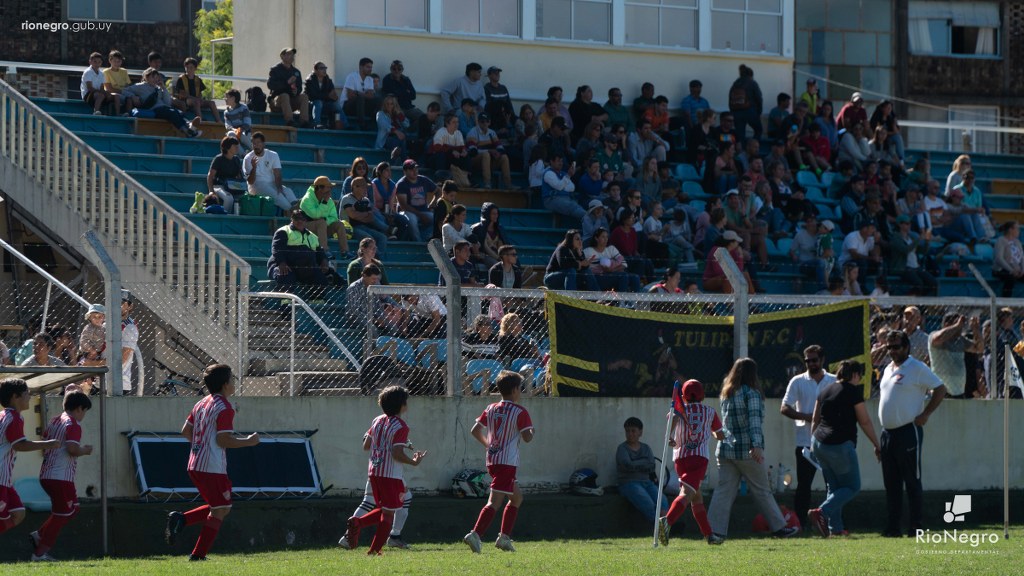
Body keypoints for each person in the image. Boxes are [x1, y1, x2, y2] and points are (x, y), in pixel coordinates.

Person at [163, 365, 260, 561]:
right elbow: (223, 440)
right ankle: (198, 555)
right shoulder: (225, 407)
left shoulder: (201, 403)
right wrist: (249, 441)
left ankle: (181, 520)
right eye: (232, 379)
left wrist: (200, 446)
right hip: (212, 467)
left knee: (221, 507)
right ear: (225, 385)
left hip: (195, 463)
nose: (234, 382)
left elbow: (185, 431)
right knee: (220, 509)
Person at [707, 358, 799, 541]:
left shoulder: (726, 393)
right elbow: (754, 422)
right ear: (753, 374)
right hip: (747, 450)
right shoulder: (752, 393)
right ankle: (779, 527)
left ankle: (713, 530)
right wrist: (756, 445)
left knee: (723, 491)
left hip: (725, 449)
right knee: (762, 490)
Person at [339, 385, 426, 555]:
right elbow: (396, 453)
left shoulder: (377, 421)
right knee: (388, 514)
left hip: (374, 472)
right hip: (391, 475)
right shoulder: (401, 426)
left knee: (387, 508)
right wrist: (414, 462)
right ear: (402, 405)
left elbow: (366, 445)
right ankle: (374, 550)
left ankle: (358, 524)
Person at [878, 329, 946, 537]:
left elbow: (940, 388)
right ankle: (893, 527)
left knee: (912, 480)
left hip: (908, 431)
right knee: (891, 483)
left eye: (896, 347)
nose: (892, 351)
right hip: (887, 433)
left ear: (906, 347)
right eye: (889, 347)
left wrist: (926, 413)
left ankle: (915, 526)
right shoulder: (888, 368)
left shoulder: (916, 367)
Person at [807, 360, 881, 538]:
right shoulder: (852, 391)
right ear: (855, 375)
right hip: (839, 445)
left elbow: (815, 420)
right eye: (860, 376)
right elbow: (864, 421)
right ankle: (821, 512)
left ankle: (836, 528)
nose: (859, 380)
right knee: (852, 486)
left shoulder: (825, 390)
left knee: (834, 487)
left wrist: (812, 443)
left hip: (819, 443)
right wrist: (877, 444)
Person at [463, 371, 534, 554]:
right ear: (516, 390)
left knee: (516, 498)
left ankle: (504, 538)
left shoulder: (491, 408)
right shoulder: (520, 411)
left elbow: (475, 430)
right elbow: (527, 438)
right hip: (507, 462)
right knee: (494, 502)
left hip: (493, 460)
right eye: (521, 388)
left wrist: (488, 445)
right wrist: (532, 430)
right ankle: (475, 534)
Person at [29, 390, 93, 561]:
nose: (84, 415)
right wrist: (85, 451)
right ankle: (39, 553)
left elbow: (46, 440)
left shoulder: (55, 420)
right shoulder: (73, 424)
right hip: (59, 476)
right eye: (85, 411)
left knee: (73, 509)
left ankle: (39, 534)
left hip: (52, 474)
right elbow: (72, 449)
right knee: (63, 513)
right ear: (79, 408)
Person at [659, 379, 725, 546]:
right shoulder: (709, 411)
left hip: (680, 459)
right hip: (699, 458)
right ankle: (668, 521)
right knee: (687, 493)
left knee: (696, 497)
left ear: (684, 396)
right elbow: (719, 434)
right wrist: (720, 435)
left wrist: (671, 436)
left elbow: (672, 419)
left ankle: (709, 535)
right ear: (702, 395)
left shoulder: (678, 410)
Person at [780, 345, 836, 531]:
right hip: (805, 442)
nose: (811, 364)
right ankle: (801, 524)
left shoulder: (833, 381)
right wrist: (808, 417)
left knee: (833, 484)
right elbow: (785, 407)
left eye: (814, 360)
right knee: (804, 486)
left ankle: (833, 523)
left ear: (822, 360)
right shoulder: (798, 381)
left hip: (830, 441)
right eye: (807, 361)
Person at [0, 379, 61, 540]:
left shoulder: (4, 415)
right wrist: (48, 444)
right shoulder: (14, 417)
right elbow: (20, 445)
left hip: (4, 479)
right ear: (15, 396)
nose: (29, 396)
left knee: (18, 513)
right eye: (27, 393)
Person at [617, 417, 669, 524]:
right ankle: (657, 528)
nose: (630, 434)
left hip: (647, 482)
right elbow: (627, 466)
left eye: (633, 431)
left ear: (640, 432)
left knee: (662, 500)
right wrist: (642, 462)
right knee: (647, 502)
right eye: (627, 431)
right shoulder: (622, 449)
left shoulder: (645, 448)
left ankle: (666, 525)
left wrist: (635, 463)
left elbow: (651, 466)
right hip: (628, 483)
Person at [123, 68, 202, 137]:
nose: (155, 79)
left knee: (179, 112)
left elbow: (167, 102)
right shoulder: (140, 86)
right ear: (146, 77)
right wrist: (133, 96)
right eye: (153, 77)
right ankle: (187, 131)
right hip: (154, 109)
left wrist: (164, 88)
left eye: (157, 77)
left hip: (164, 108)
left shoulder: (159, 88)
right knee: (172, 112)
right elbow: (124, 91)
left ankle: (190, 127)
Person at [268, 209, 329, 289]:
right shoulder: (283, 231)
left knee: (319, 277)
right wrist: (281, 263)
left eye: (302, 219)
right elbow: (277, 249)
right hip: (285, 266)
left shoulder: (312, 236)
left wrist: (324, 260)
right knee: (285, 275)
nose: (300, 221)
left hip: (304, 268)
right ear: (292, 219)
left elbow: (319, 252)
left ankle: (316, 301)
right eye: (297, 218)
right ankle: (286, 301)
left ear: (306, 221)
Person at [928, 313, 982, 399]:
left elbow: (979, 348)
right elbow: (937, 339)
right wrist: (957, 326)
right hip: (940, 391)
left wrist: (976, 330)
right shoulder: (934, 335)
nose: (961, 327)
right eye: (957, 323)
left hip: (959, 392)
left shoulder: (960, 340)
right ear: (947, 325)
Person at [244, 132, 297, 212]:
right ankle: (293, 211)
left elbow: (277, 174)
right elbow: (251, 182)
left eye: (258, 143)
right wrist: (254, 168)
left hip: (271, 184)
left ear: (263, 143)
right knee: (277, 196)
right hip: (256, 186)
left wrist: (279, 187)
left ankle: (296, 207)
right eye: (254, 143)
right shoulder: (248, 158)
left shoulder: (273, 155)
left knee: (287, 191)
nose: (256, 146)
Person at [301, 176, 349, 258]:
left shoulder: (328, 200)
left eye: (330, 187)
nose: (330, 190)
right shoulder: (306, 199)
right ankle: (324, 251)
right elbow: (315, 215)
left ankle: (345, 252)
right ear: (319, 188)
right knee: (321, 222)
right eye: (328, 187)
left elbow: (334, 218)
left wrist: (325, 220)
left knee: (339, 224)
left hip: (322, 228)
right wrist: (324, 203)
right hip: (305, 228)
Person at [266, 47, 310, 128]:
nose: (292, 56)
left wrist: (296, 91)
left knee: (304, 96)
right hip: (277, 102)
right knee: (284, 95)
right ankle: (290, 121)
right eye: (289, 54)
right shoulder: (275, 69)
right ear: (282, 56)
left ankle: (304, 122)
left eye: (293, 55)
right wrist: (287, 83)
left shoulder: (296, 72)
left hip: (291, 102)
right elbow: (270, 85)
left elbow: (299, 88)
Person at [395, 160, 438, 241]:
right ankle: (418, 242)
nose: (415, 172)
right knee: (412, 221)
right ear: (405, 171)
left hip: (423, 211)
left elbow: (438, 191)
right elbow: (404, 206)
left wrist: (432, 203)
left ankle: (426, 239)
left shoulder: (423, 180)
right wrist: (421, 215)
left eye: (416, 169)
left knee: (436, 219)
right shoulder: (401, 184)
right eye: (411, 170)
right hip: (407, 212)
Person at [467, 113, 512, 189]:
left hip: (490, 162)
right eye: (482, 121)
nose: (485, 123)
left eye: (486, 121)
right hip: (475, 162)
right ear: (478, 122)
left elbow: (501, 148)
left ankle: (508, 185)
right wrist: (489, 150)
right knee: (486, 154)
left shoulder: (492, 132)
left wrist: (498, 153)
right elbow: (472, 152)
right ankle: (487, 183)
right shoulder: (472, 132)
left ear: (489, 122)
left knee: (504, 157)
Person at [173, 57, 221, 126]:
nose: (189, 69)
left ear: (195, 68)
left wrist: (200, 98)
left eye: (191, 67)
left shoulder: (198, 79)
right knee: (197, 102)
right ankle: (200, 121)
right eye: (187, 67)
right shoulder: (181, 79)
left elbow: (200, 93)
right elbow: (182, 94)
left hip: (197, 100)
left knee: (212, 103)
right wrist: (196, 99)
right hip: (186, 101)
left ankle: (219, 121)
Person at [207, 136, 245, 212]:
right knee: (229, 198)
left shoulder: (236, 159)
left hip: (233, 186)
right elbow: (210, 176)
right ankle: (225, 217)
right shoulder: (218, 159)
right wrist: (211, 191)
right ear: (227, 147)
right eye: (234, 145)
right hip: (219, 186)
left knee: (245, 199)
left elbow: (239, 176)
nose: (237, 147)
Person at [541, 153, 584, 219]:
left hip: (566, 198)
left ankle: (590, 219)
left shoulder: (563, 174)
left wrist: (562, 185)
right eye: (558, 161)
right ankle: (589, 218)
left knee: (577, 205)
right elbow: (559, 186)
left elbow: (572, 188)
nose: (561, 163)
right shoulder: (548, 173)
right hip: (552, 200)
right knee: (572, 205)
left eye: (561, 161)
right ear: (552, 161)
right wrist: (568, 176)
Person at [341, 57, 380, 130]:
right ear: (361, 67)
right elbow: (350, 96)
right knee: (360, 98)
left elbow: (371, 96)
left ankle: (373, 122)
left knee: (378, 99)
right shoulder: (352, 77)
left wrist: (358, 93)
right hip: (348, 107)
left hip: (362, 106)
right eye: (368, 67)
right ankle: (362, 124)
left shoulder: (370, 79)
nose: (370, 69)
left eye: (371, 67)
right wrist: (364, 95)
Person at [728, 64, 764, 143]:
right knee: (758, 130)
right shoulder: (752, 83)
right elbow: (759, 98)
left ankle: (741, 152)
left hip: (736, 113)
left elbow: (730, 100)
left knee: (740, 136)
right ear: (751, 75)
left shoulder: (735, 84)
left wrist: (732, 112)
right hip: (750, 111)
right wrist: (759, 111)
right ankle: (753, 147)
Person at [304, 61, 341, 129]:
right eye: (322, 68)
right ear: (315, 70)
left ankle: (342, 123)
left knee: (336, 105)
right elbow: (313, 96)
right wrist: (327, 96)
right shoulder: (309, 80)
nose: (324, 70)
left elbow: (332, 95)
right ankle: (317, 123)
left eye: (325, 68)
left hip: (324, 104)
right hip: (312, 105)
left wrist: (334, 97)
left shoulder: (328, 80)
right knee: (318, 102)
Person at [472, 203, 508, 268]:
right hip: (485, 256)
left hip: (498, 255)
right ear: (487, 214)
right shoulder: (478, 228)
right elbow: (485, 248)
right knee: (498, 266)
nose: (496, 216)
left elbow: (501, 245)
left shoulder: (499, 228)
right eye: (493, 214)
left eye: (497, 214)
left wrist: (503, 256)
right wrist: (498, 258)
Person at [118, 291, 141, 394]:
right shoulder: (105, 323)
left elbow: (123, 357)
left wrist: (98, 366)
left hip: (119, 382)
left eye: (120, 302)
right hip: (99, 379)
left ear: (130, 306)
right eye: (112, 302)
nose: (115, 306)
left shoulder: (129, 327)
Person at [994, 221, 1024, 298]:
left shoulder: (1017, 242)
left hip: (1017, 269)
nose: (1019, 231)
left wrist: (1022, 270)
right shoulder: (1001, 241)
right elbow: (999, 259)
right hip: (1001, 269)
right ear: (1011, 230)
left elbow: (1022, 258)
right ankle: (1005, 305)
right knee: (1010, 278)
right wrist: (1011, 270)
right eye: (1017, 229)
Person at [483, 66, 514, 135]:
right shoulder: (487, 88)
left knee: (518, 122)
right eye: (495, 73)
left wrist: (512, 114)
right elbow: (489, 105)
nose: (497, 74)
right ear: (489, 76)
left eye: (498, 73)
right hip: (495, 116)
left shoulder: (503, 87)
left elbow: (509, 102)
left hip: (506, 113)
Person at [102, 50, 133, 116]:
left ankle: (129, 115)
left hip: (123, 93)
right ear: (110, 61)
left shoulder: (124, 71)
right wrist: (123, 92)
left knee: (130, 98)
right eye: (115, 61)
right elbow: (109, 88)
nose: (117, 63)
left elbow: (128, 85)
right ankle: (117, 114)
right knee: (117, 96)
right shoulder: (106, 72)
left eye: (119, 61)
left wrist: (127, 93)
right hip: (110, 94)